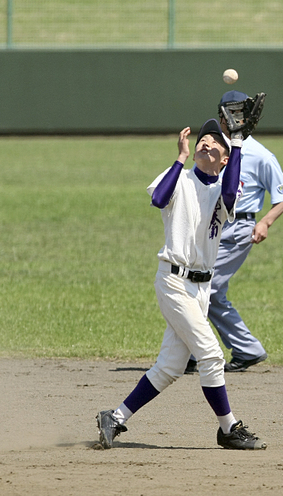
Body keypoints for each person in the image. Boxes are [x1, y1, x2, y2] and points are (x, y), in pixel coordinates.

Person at [96, 120, 267, 451]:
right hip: (173, 281)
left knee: (171, 367)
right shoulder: (179, 177)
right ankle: (228, 428)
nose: (205, 144)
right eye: (202, 140)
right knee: (212, 355)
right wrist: (180, 157)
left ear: (225, 159)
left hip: (201, 289)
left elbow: (230, 194)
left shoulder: (225, 187)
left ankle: (114, 418)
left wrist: (236, 141)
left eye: (214, 143)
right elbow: (159, 199)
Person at [186, 90, 283, 374]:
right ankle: (247, 350)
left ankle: (191, 354)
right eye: (228, 113)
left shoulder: (261, 155)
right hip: (211, 227)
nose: (231, 119)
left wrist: (266, 222)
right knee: (207, 292)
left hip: (239, 229)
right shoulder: (214, 147)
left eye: (238, 114)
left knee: (203, 288)